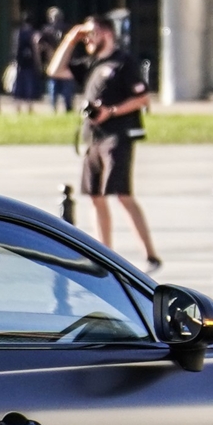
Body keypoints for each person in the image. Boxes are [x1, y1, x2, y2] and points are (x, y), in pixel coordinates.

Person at [49, 14, 159, 270]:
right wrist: (71, 38)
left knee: (122, 194)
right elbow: (54, 70)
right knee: (95, 196)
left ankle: (150, 254)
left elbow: (142, 99)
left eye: (92, 33)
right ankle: (104, 255)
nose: (88, 38)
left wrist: (111, 111)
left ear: (107, 33)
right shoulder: (92, 63)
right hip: (93, 138)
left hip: (117, 136)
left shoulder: (123, 62)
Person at [39, 6, 76, 112]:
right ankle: (65, 107)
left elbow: (38, 43)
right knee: (62, 87)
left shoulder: (47, 30)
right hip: (63, 63)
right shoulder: (67, 29)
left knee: (56, 86)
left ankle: (55, 107)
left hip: (56, 63)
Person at [8, 13, 43, 112]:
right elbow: (36, 49)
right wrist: (39, 63)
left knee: (18, 85)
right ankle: (29, 107)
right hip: (30, 63)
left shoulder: (18, 33)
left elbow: (14, 48)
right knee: (29, 86)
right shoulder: (34, 34)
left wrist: (13, 61)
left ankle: (17, 107)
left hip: (19, 63)